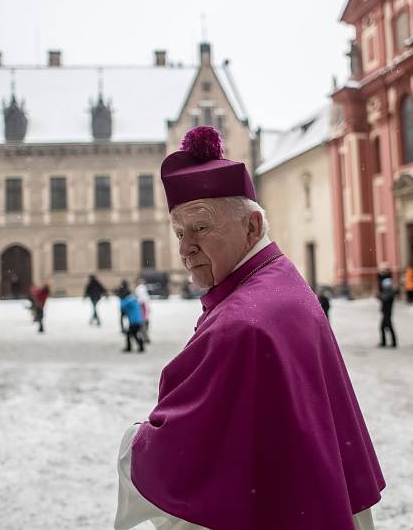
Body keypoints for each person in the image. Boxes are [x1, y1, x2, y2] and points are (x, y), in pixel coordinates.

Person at [115, 126, 384, 530]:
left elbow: (183, 460)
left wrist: (131, 447)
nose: (185, 247)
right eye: (179, 232)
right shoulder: (279, 280)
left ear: (252, 228)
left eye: (201, 227)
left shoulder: (243, 323)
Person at [118, 287, 145, 353]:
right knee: (133, 334)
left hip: (134, 321)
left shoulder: (127, 301)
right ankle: (140, 346)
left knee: (131, 334)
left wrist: (121, 300)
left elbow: (122, 307)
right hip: (138, 320)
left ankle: (132, 347)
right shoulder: (133, 299)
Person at [377, 277, 397, 348]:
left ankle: (393, 343)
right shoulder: (387, 292)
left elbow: (384, 298)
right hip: (385, 313)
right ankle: (385, 342)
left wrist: (380, 296)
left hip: (387, 313)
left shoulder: (390, 293)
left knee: (389, 327)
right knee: (382, 328)